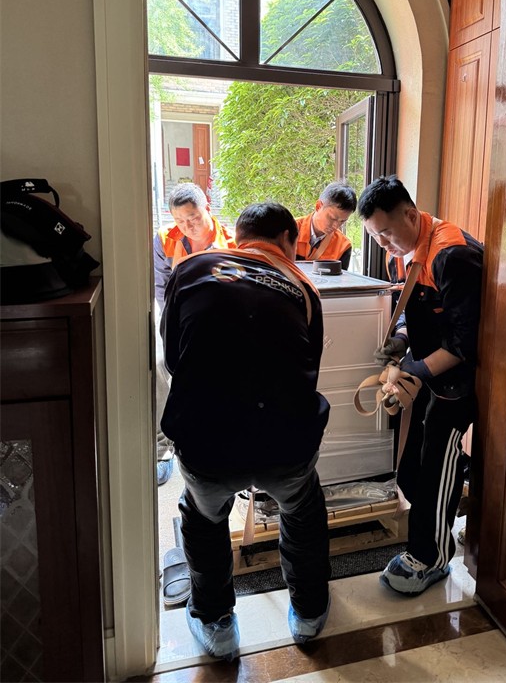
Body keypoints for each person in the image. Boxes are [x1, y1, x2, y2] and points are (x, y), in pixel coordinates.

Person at [160, 202, 331, 660]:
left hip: (207, 443)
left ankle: (217, 625)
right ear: (288, 241)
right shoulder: (302, 285)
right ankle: (310, 613)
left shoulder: (191, 269)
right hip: (285, 444)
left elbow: (174, 358)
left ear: (238, 238)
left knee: (203, 517)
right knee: (303, 510)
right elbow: (309, 366)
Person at [358, 175, 483, 595]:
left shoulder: (453, 255)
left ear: (410, 215)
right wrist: (400, 340)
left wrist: (412, 370)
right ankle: (436, 536)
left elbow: (464, 344)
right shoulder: (404, 251)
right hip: (429, 376)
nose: (383, 244)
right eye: (374, 236)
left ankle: (431, 558)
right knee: (411, 470)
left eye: (386, 233)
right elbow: (418, 313)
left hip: (458, 383)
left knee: (436, 471)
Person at [153, 182, 236, 486]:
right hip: (177, 317)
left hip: (218, 322)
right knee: (159, 363)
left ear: (207, 210)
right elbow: (160, 287)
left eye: (193, 218)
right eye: (179, 221)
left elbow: (235, 296)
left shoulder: (231, 243)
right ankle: (163, 448)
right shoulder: (164, 239)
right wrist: (174, 325)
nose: (187, 227)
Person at [295, 182, 357, 270]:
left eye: (342, 221)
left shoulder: (343, 246)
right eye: (332, 218)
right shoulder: (288, 229)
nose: (336, 226)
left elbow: (339, 278)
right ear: (318, 206)